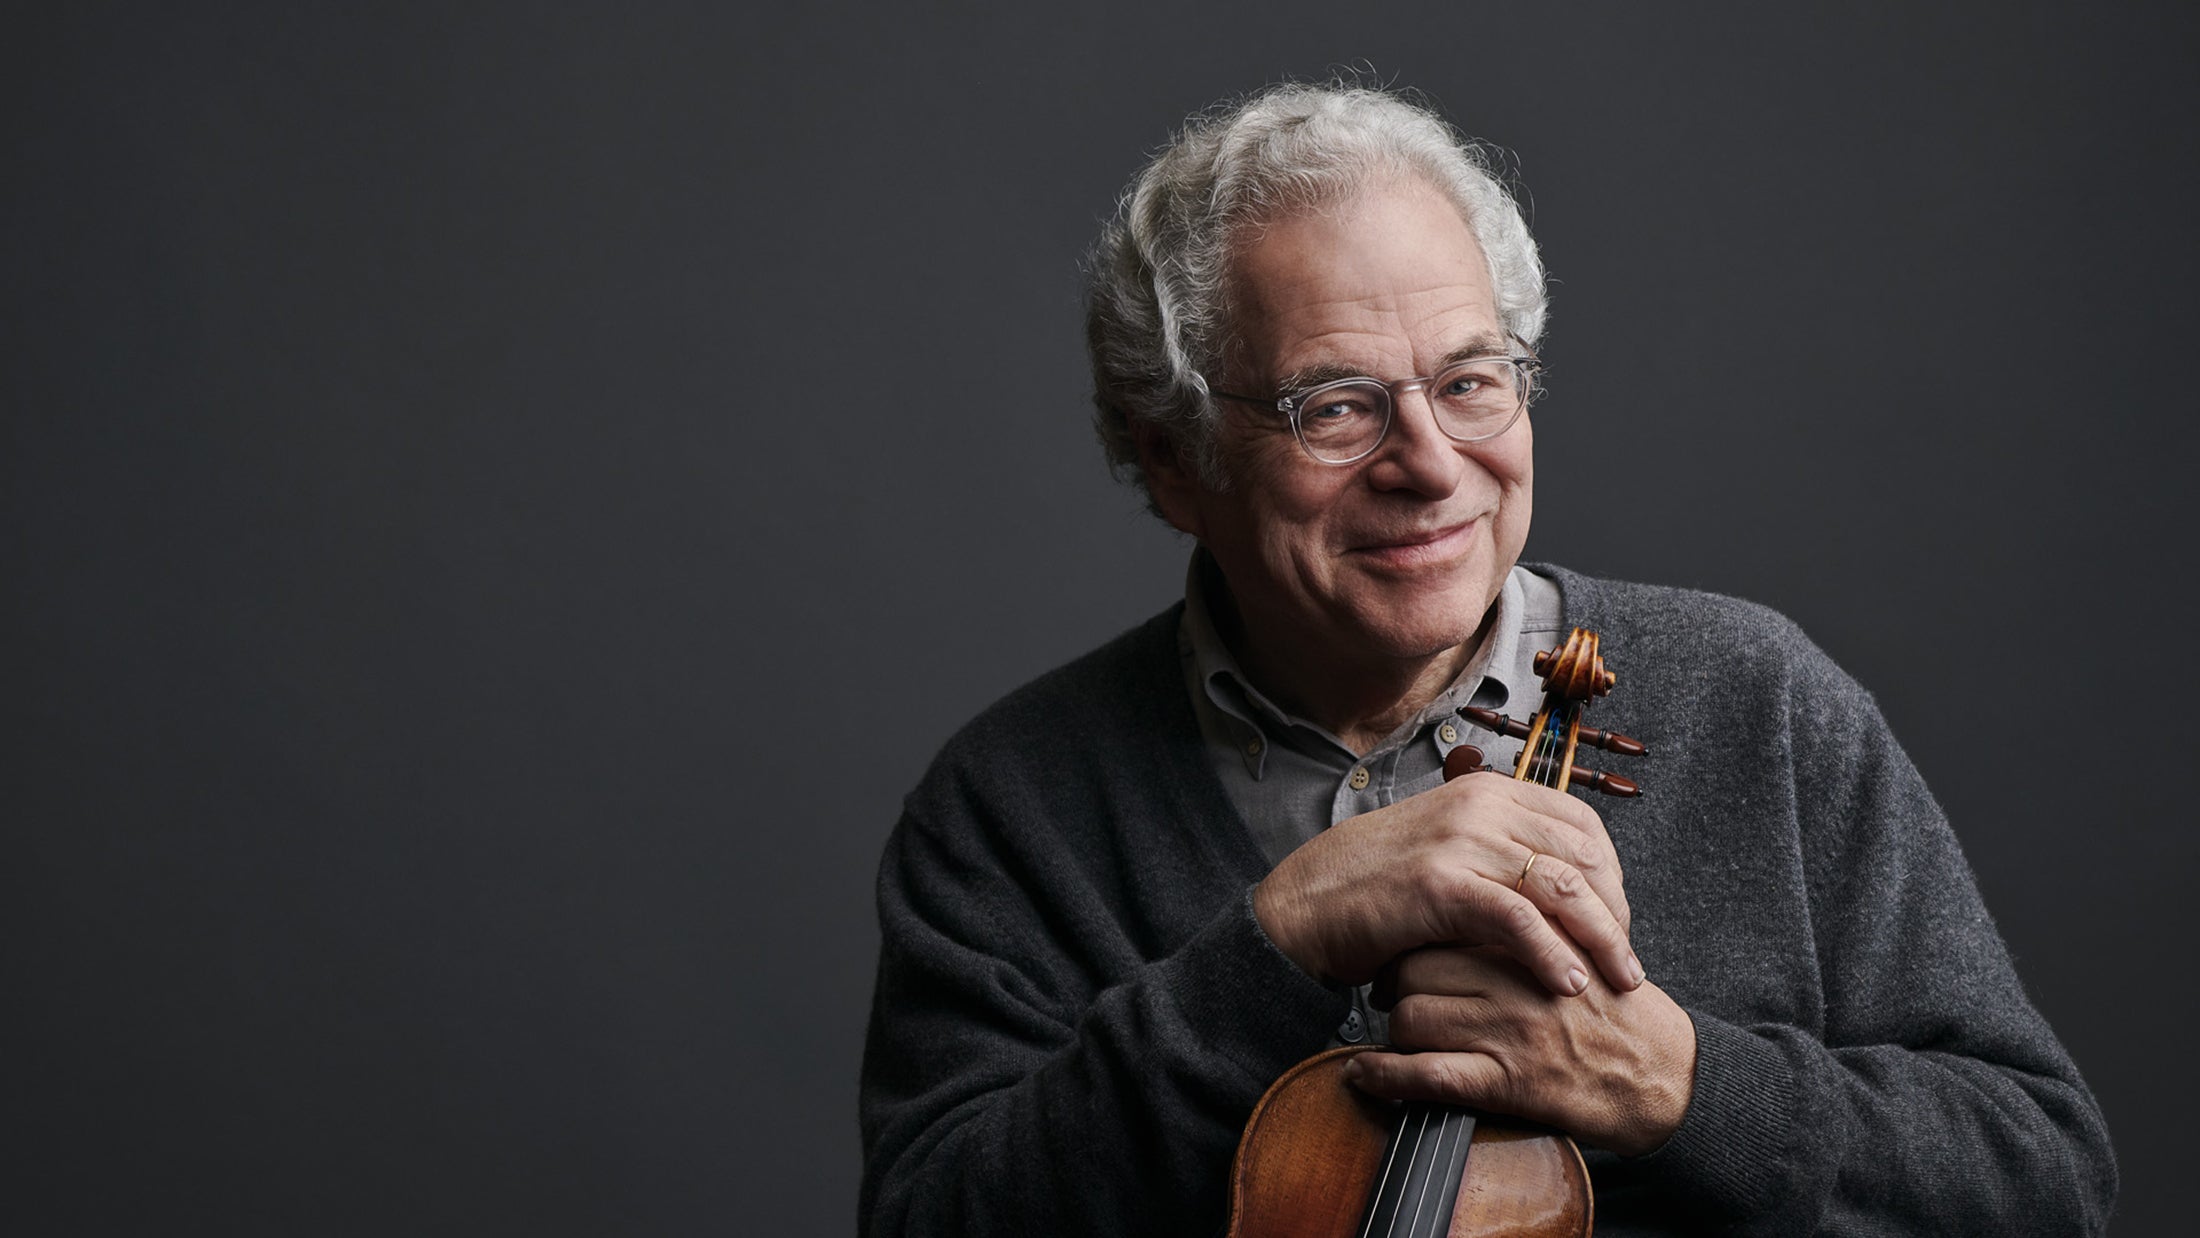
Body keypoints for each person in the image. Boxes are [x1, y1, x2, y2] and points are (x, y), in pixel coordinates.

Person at [857, 82, 2115, 1236]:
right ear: (1178, 460)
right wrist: (1272, 950)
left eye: (1469, 380)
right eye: (1335, 405)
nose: (1431, 464)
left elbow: (2043, 1175)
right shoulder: (1011, 803)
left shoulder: (1760, 700)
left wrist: (1682, 1086)